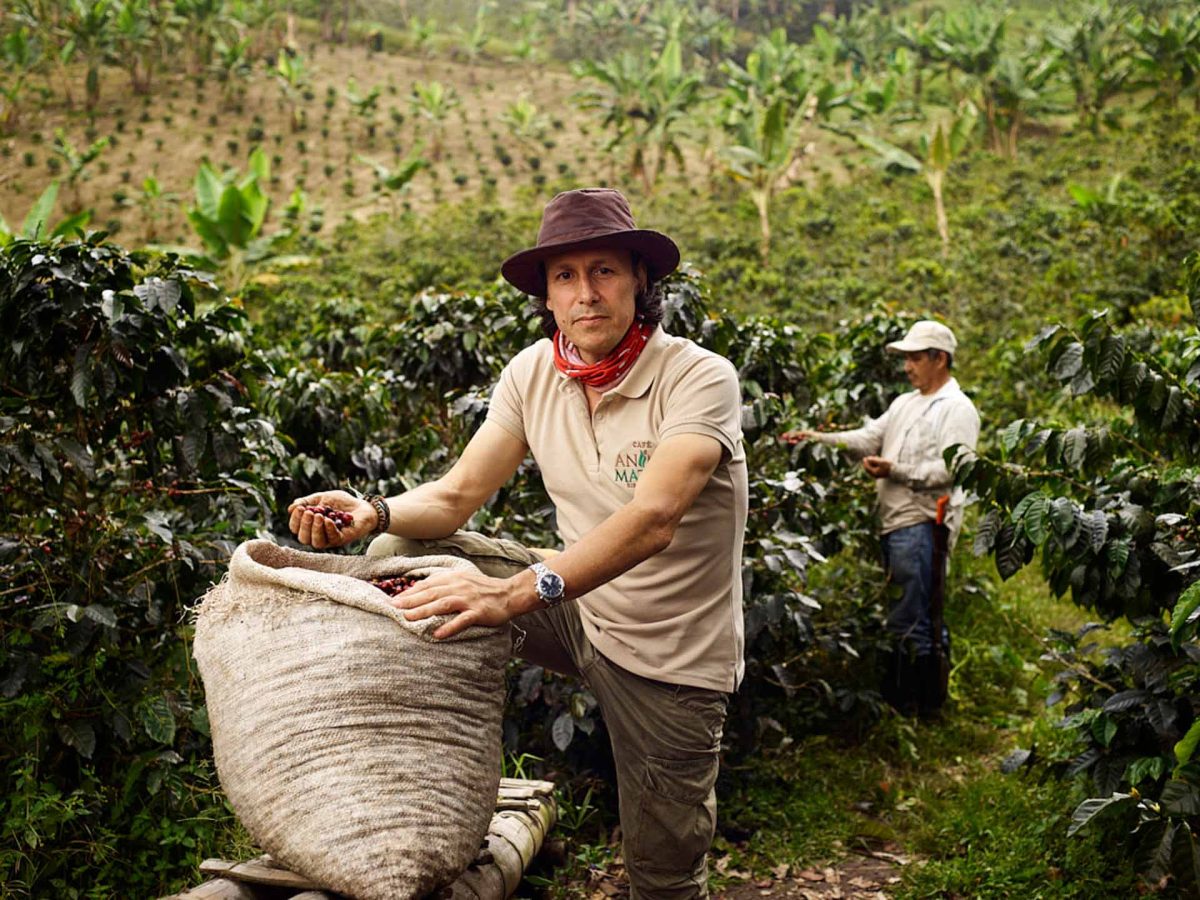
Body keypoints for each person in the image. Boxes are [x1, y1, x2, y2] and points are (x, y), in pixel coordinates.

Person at [288, 188, 748, 900]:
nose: (585, 293)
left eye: (604, 271)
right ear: (547, 295)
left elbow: (655, 519)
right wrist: (373, 513)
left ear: (639, 281)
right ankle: (411, 785)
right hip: (576, 608)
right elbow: (454, 495)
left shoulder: (696, 377)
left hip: (670, 658)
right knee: (397, 556)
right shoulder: (535, 372)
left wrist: (509, 594)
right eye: (565, 276)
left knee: (662, 878)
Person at [782, 320, 980, 717]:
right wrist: (818, 440)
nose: (908, 367)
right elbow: (868, 436)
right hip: (896, 524)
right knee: (916, 609)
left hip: (924, 523)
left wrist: (896, 470)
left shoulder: (957, 409)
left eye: (915, 358)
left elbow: (956, 469)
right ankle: (920, 703)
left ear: (939, 359)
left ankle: (917, 706)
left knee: (914, 614)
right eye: (906, 358)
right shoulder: (907, 403)